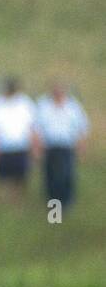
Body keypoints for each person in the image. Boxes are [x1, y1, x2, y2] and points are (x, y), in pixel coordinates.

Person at [34, 80, 89, 210]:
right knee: (50, 176)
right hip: (49, 146)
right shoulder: (43, 105)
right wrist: (37, 146)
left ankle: (66, 201)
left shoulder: (73, 107)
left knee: (66, 175)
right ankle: (53, 205)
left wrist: (81, 146)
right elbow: (36, 127)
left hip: (66, 146)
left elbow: (82, 127)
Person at [0, 76, 38, 204]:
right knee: (3, 177)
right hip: (3, 147)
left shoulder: (25, 103)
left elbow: (32, 127)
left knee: (21, 176)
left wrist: (35, 146)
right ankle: (6, 201)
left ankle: (18, 201)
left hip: (21, 146)